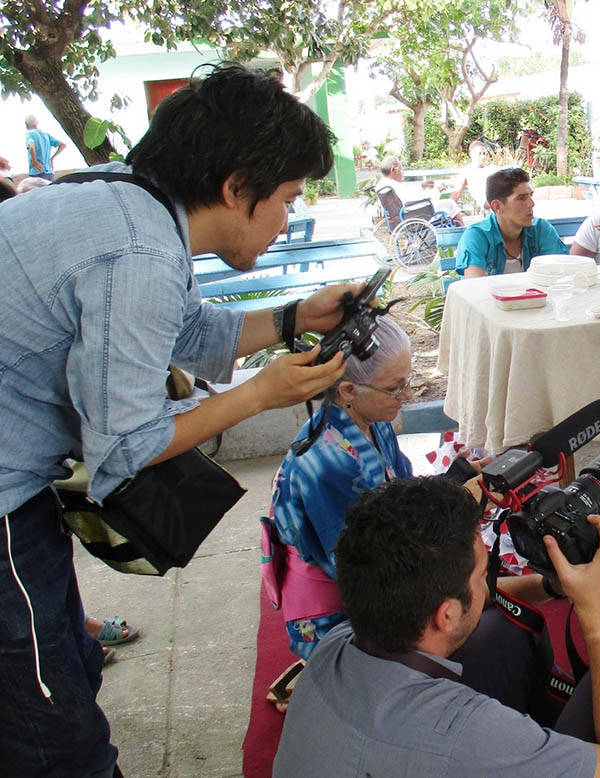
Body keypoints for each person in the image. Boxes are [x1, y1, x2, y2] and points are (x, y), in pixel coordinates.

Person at [0, 62, 365, 777]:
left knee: (65, 667)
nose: (288, 218)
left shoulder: (127, 205)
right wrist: (260, 394)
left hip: (21, 480)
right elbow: (127, 449)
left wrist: (293, 316)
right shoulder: (135, 250)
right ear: (236, 188)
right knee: (58, 740)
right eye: (287, 198)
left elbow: (186, 332)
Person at [274, 476, 600, 778]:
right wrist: (595, 616)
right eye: (484, 573)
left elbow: (473, 602)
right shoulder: (468, 734)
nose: (491, 580)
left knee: (500, 635)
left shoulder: (337, 644)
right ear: (446, 614)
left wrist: (550, 585)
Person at [265, 315, 416, 663]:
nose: (406, 395)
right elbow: (358, 567)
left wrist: (457, 477)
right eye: (396, 387)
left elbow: (404, 492)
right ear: (348, 391)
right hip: (334, 610)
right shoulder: (328, 462)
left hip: (377, 558)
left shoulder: (372, 420)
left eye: (408, 381)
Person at [455, 167, 568, 278]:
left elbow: (561, 275)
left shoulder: (541, 229)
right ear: (497, 206)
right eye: (521, 198)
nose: (531, 204)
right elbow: (475, 288)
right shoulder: (476, 236)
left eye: (530, 196)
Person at [376, 154, 464, 226]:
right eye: (401, 169)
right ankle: (463, 233)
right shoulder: (393, 185)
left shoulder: (383, 184)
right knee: (450, 204)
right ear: (393, 170)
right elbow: (412, 199)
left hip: (404, 214)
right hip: (414, 213)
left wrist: (421, 186)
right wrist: (436, 191)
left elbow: (407, 194)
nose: (402, 172)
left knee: (447, 204)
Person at [449, 139, 495, 213]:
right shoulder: (467, 171)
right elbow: (456, 192)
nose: (483, 157)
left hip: (500, 196)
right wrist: (448, 209)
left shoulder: (492, 169)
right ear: (471, 154)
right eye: (479, 154)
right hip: (488, 201)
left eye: (484, 153)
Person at [24, 114, 67, 181]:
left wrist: (34, 161)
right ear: (37, 123)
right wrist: (52, 159)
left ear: (26, 124)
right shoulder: (45, 134)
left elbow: (31, 147)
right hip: (49, 171)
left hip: (37, 171)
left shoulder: (29, 134)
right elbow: (62, 145)